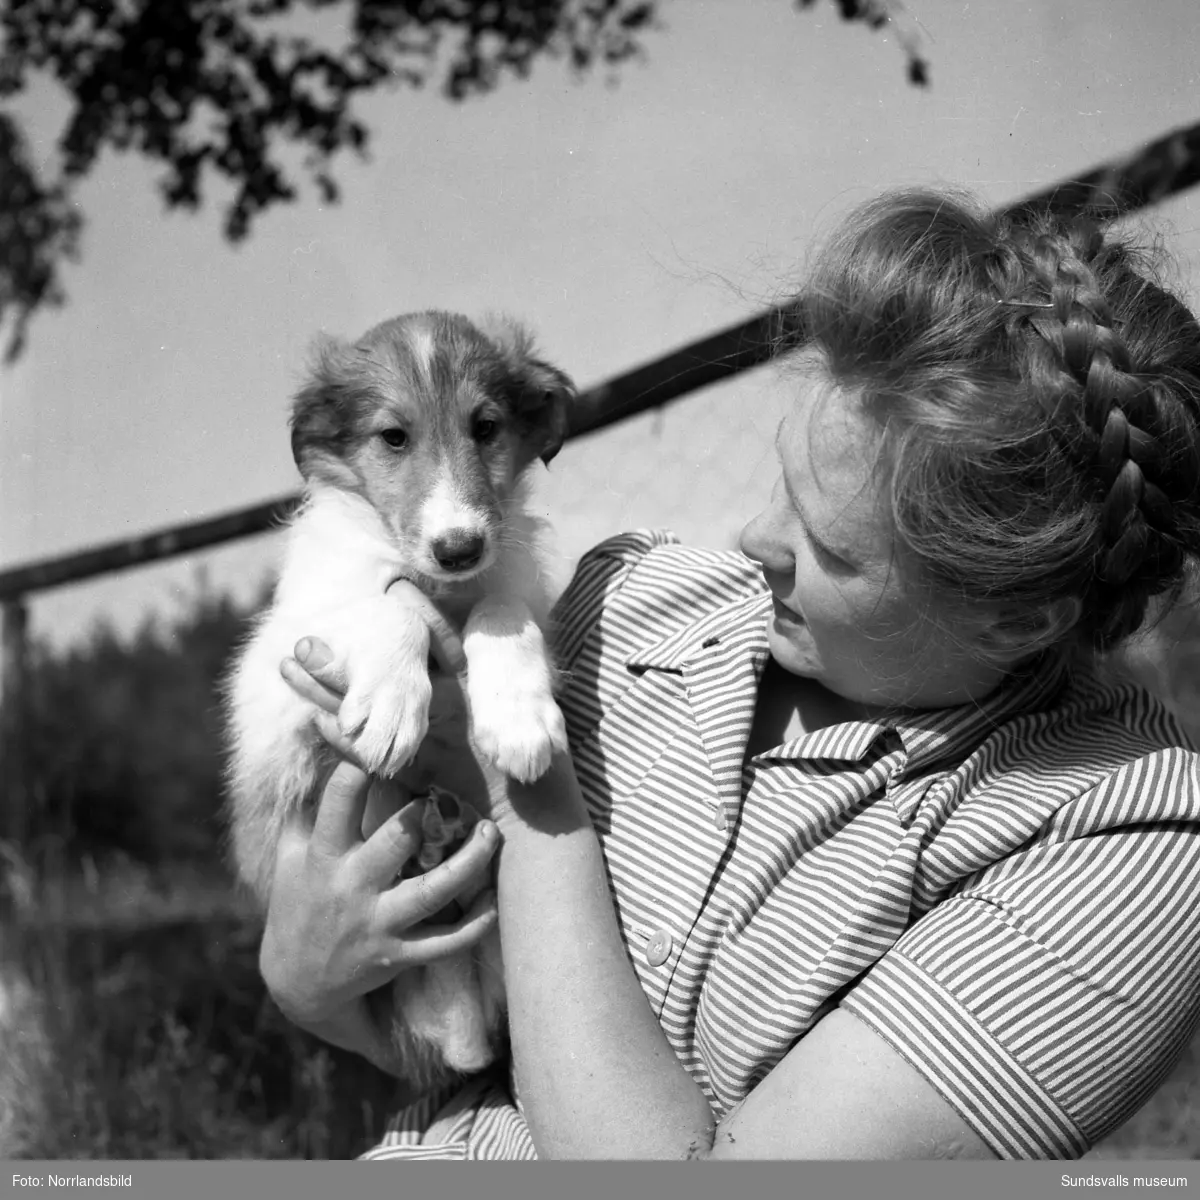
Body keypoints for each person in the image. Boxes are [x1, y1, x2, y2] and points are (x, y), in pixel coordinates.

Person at [257, 187, 1200, 1160]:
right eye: (782, 486)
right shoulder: (636, 598)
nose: (756, 543)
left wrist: (520, 780)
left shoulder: (1123, 836)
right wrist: (307, 983)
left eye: (831, 547)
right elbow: (457, 1023)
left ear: (1022, 615)